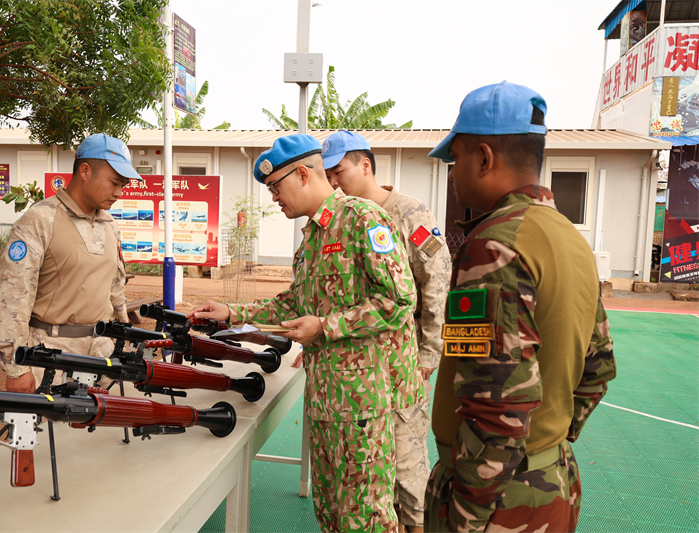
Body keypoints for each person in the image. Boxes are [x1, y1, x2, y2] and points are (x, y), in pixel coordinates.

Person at [187, 134, 423, 533]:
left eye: (276, 187)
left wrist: (325, 327)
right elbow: (293, 305)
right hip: (326, 399)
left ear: (302, 174)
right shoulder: (311, 240)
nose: (274, 198)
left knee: (365, 514)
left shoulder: (362, 219)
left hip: (363, 402)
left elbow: (400, 300)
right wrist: (231, 313)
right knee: (330, 510)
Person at [424, 81, 617, 533]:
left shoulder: (494, 245)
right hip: (551, 480)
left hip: (497, 502)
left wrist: (466, 516)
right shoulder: (570, 238)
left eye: (455, 160)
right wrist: (548, 443)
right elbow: (598, 368)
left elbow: (498, 406)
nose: (452, 175)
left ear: (484, 158)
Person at [319, 130, 451, 533]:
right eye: (328, 175)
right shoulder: (340, 219)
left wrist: (429, 353)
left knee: (407, 468)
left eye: (339, 172)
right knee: (370, 470)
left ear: (365, 165)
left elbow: (436, 282)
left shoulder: (409, 213)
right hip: (358, 372)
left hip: (401, 365)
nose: (334, 182)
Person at [0, 134, 141, 393]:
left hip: (102, 357)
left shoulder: (110, 226)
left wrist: (121, 342)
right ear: (85, 171)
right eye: (115, 183)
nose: (119, 192)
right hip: (50, 358)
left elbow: (116, 291)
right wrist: (15, 368)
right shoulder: (40, 221)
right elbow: (13, 298)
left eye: (123, 185)